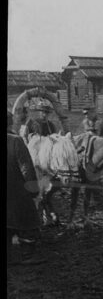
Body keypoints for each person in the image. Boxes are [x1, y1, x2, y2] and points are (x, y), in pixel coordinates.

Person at [7, 111, 44, 265]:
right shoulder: (15, 141)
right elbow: (26, 168)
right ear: (9, 123)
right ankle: (27, 255)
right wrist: (34, 190)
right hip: (16, 192)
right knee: (27, 221)